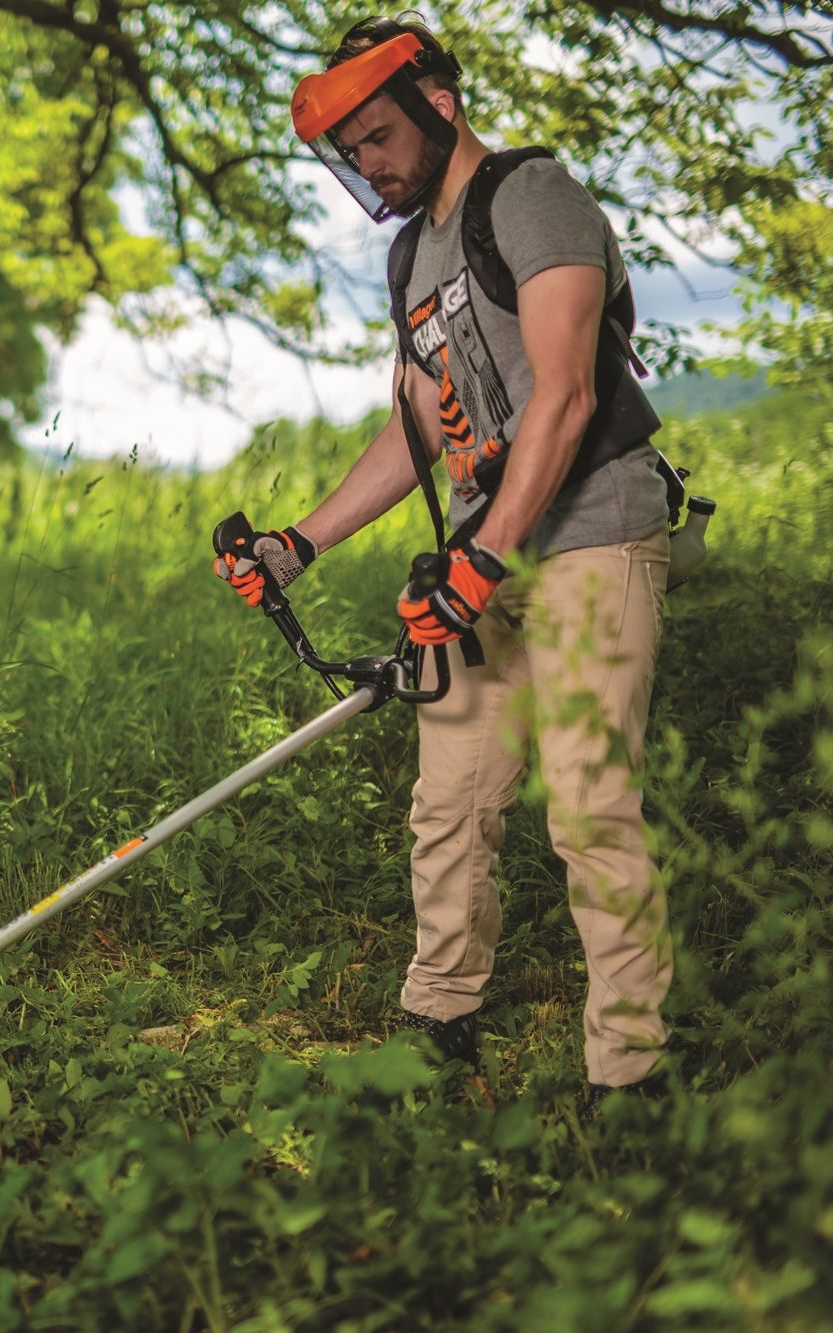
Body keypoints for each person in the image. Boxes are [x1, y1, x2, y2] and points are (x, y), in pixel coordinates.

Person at [217, 13, 673, 1100]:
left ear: (440, 105)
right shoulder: (412, 253)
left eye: (377, 137)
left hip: (591, 534)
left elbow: (566, 395)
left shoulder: (530, 197)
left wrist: (485, 560)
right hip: (484, 560)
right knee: (450, 800)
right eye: (350, 152)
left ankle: (629, 1071)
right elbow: (419, 424)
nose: (367, 165)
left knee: (589, 808)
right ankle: (439, 1014)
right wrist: (298, 544)